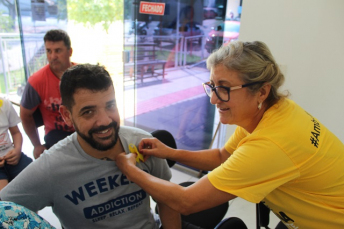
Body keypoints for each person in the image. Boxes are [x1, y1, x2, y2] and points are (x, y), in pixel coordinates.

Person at [115, 41, 344, 229]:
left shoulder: (271, 143)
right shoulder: (275, 112)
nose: (214, 99)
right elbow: (222, 156)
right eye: (212, 86)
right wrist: (170, 152)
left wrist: (130, 170)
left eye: (224, 88)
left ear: (261, 91)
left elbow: (186, 201)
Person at [0, 64, 181, 229]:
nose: (105, 121)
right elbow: (4, 209)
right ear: (66, 115)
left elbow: (168, 201)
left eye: (110, 106)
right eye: (88, 112)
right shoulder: (52, 166)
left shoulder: (142, 143)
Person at [20, 29, 76, 159]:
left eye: (58, 50)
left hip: (81, 129)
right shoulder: (36, 81)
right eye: (48, 51)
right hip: (56, 133)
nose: (52, 56)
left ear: (70, 52)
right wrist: (37, 145)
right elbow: (25, 115)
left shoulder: (82, 75)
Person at [0, 97, 32, 191]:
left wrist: (17, 150)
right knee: (4, 197)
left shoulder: (4, 104)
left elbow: (16, 133)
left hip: (13, 158)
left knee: (37, 178)